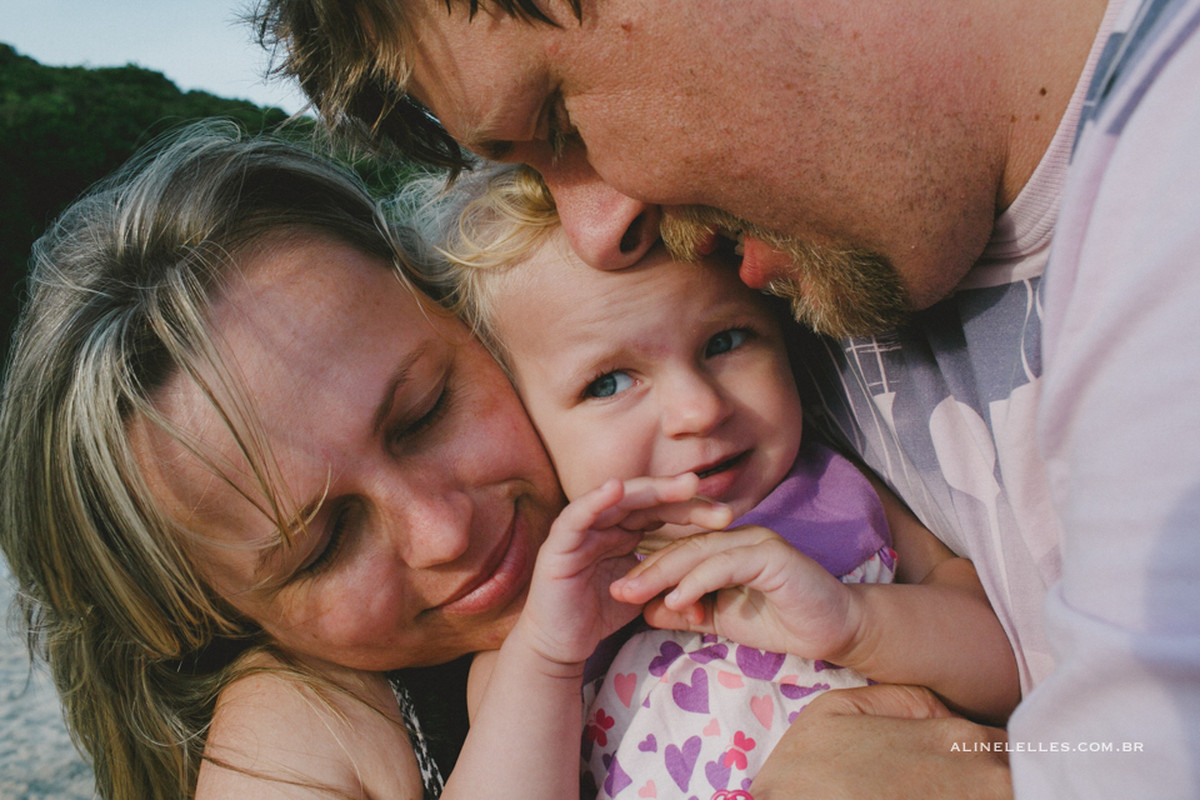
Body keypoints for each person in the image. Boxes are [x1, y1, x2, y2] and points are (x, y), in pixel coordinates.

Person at [253, 0, 1200, 796]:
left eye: (565, 122)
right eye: (609, 381)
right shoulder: (806, 253)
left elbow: (1098, 740)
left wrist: (986, 758)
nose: (600, 230)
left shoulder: (831, 455)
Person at [0, 121, 579, 800]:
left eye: (424, 413)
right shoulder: (300, 744)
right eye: (323, 546)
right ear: (217, 620)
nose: (442, 532)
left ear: (457, 299)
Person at [407, 164, 1017, 798]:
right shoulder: (552, 625)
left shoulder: (837, 498)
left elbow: (1015, 666)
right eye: (610, 382)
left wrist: (856, 623)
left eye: (726, 339)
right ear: (526, 421)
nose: (699, 408)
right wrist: (549, 659)